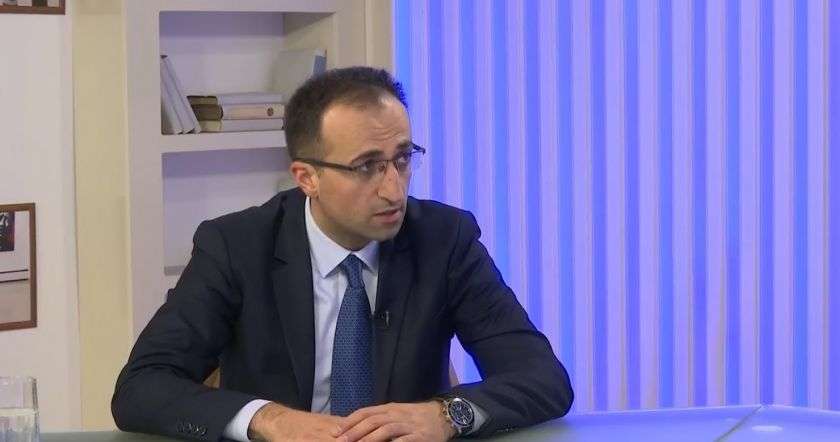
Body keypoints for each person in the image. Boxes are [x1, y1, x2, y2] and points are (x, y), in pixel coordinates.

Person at [112, 67, 573, 441]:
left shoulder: (444, 240)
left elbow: (542, 378)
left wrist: (448, 414)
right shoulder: (237, 246)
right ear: (306, 177)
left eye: (402, 158)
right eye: (367, 166)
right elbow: (141, 387)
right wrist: (268, 419)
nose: (394, 189)